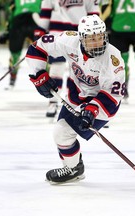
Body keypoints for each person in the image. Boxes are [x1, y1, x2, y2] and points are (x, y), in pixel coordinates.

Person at [26, 15, 125, 184]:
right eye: (91, 38)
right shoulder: (68, 41)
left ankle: (73, 169)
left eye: (100, 37)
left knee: (62, 132)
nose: (97, 42)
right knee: (62, 135)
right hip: (75, 96)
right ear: (81, 38)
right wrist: (38, 74)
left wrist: (92, 109)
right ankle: (74, 166)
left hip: (102, 104)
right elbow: (38, 47)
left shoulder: (113, 60)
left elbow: (113, 94)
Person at [33, 0, 100, 117]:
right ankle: (53, 101)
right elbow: (45, 13)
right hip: (58, 34)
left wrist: (95, 33)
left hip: (81, 35)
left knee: (81, 71)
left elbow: (94, 14)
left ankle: (81, 104)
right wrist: (41, 30)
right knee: (56, 69)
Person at [0, 0, 42, 87]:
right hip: (34, 20)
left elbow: (11, 13)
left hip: (18, 21)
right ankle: (47, 78)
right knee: (43, 51)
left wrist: (8, 31)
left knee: (15, 54)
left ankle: (12, 77)